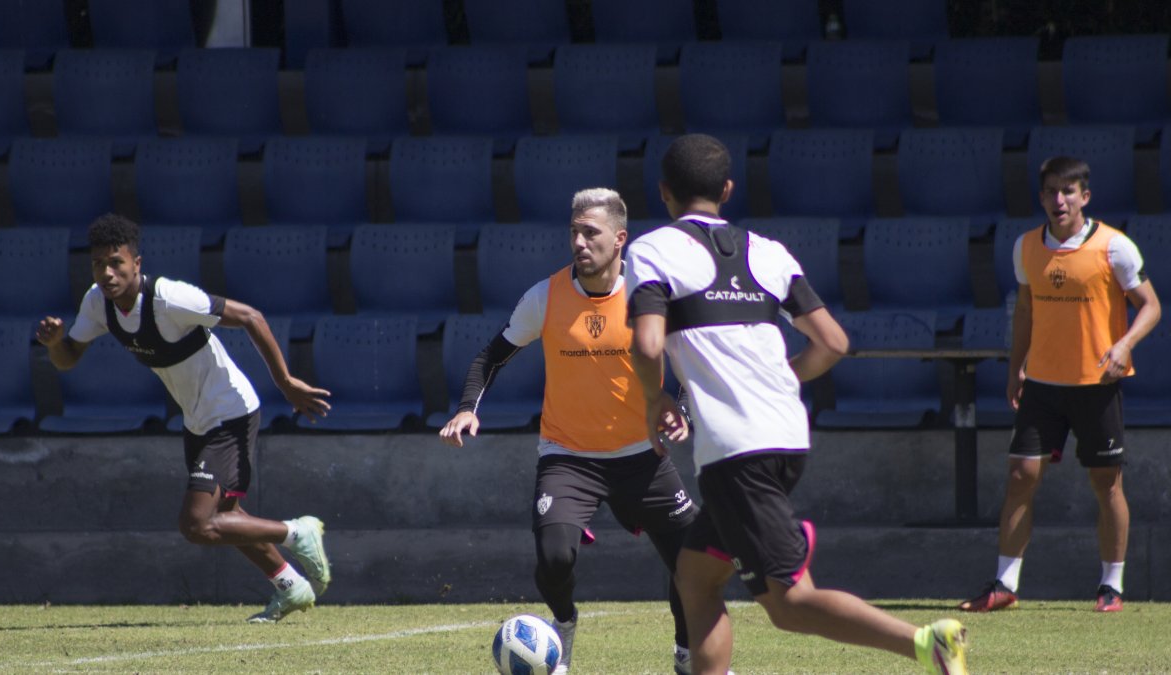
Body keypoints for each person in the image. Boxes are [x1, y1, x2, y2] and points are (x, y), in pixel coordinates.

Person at [624, 134, 968, 675]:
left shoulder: (651, 250)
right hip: (784, 435)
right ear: (728, 189)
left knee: (789, 605)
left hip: (737, 452)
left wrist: (655, 399)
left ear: (664, 191)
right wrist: (781, 378)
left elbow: (646, 345)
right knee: (694, 577)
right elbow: (833, 342)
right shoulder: (768, 252)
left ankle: (925, 642)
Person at [439, 188, 700, 674]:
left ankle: (687, 653)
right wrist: (467, 408)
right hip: (568, 456)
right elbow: (490, 357)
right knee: (555, 558)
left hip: (642, 456)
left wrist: (679, 409)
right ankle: (562, 627)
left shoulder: (650, 297)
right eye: (573, 232)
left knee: (692, 561)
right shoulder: (546, 295)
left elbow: (685, 363)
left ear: (620, 239)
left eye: (590, 233)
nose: (579, 242)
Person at [36, 214, 334, 624]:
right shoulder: (97, 303)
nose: (107, 272)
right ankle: (291, 586)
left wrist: (285, 383)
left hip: (231, 413)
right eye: (98, 264)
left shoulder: (169, 298)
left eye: (116, 262)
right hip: (197, 422)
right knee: (226, 518)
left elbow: (251, 316)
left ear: (136, 263)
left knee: (196, 524)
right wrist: (54, 345)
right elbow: (68, 357)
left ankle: (298, 531)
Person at [959, 156, 1161, 614]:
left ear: (1084, 197)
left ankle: (1112, 585)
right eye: (1051, 191)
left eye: (1068, 191)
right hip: (1044, 386)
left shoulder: (1114, 247)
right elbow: (1027, 311)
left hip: (1096, 384)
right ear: (1042, 197)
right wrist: (1016, 370)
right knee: (1019, 475)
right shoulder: (1026, 246)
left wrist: (1125, 344)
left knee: (1106, 482)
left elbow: (1151, 306)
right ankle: (1005, 583)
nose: (1059, 200)